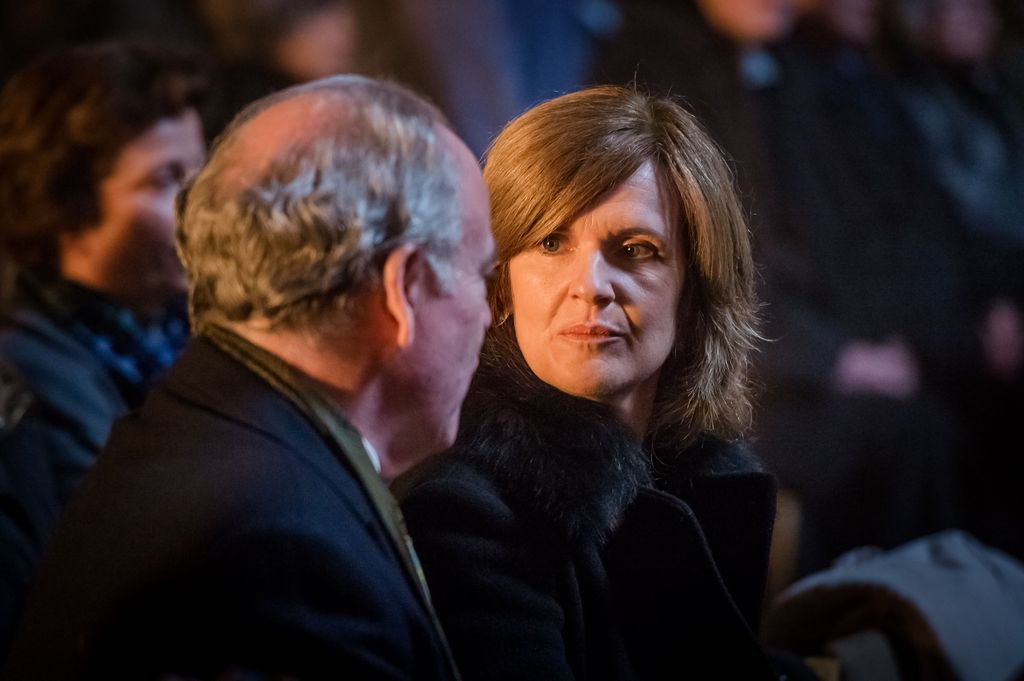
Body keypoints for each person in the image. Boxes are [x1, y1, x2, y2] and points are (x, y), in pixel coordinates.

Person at [3, 74, 493, 679]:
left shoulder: (201, 420)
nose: (489, 313)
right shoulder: (282, 551)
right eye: (479, 271)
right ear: (406, 287)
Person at [395, 85, 791, 680]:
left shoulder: (701, 478)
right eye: (551, 242)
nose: (591, 286)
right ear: (499, 285)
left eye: (635, 249)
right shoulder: (463, 511)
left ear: (695, 293)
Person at [0, 42, 206, 658]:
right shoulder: (23, 384)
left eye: (202, 174)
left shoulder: (192, 335)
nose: (200, 205)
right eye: (167, 180)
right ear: (64, 208)